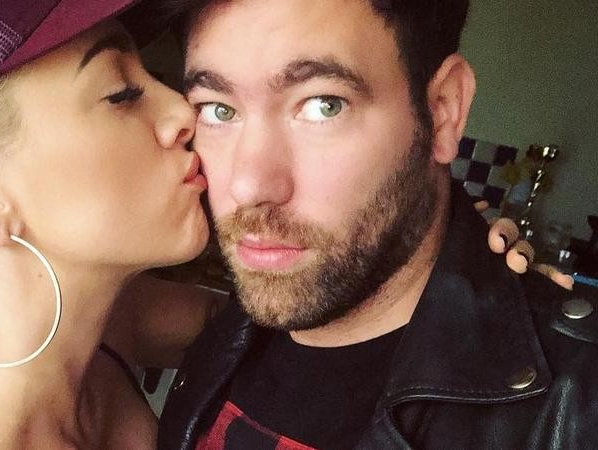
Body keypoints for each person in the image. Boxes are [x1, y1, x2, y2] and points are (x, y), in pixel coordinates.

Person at [0, 1, 567, 449]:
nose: (185, 115)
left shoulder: (114, 325)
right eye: (121, 94)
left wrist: (470, 275)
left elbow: (314, 311)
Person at [152, 1, 598, 449]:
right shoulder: (220, 330)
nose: (248, 187)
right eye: (218, 110)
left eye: (324, 105)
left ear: (443, 110)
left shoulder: (576, 406)